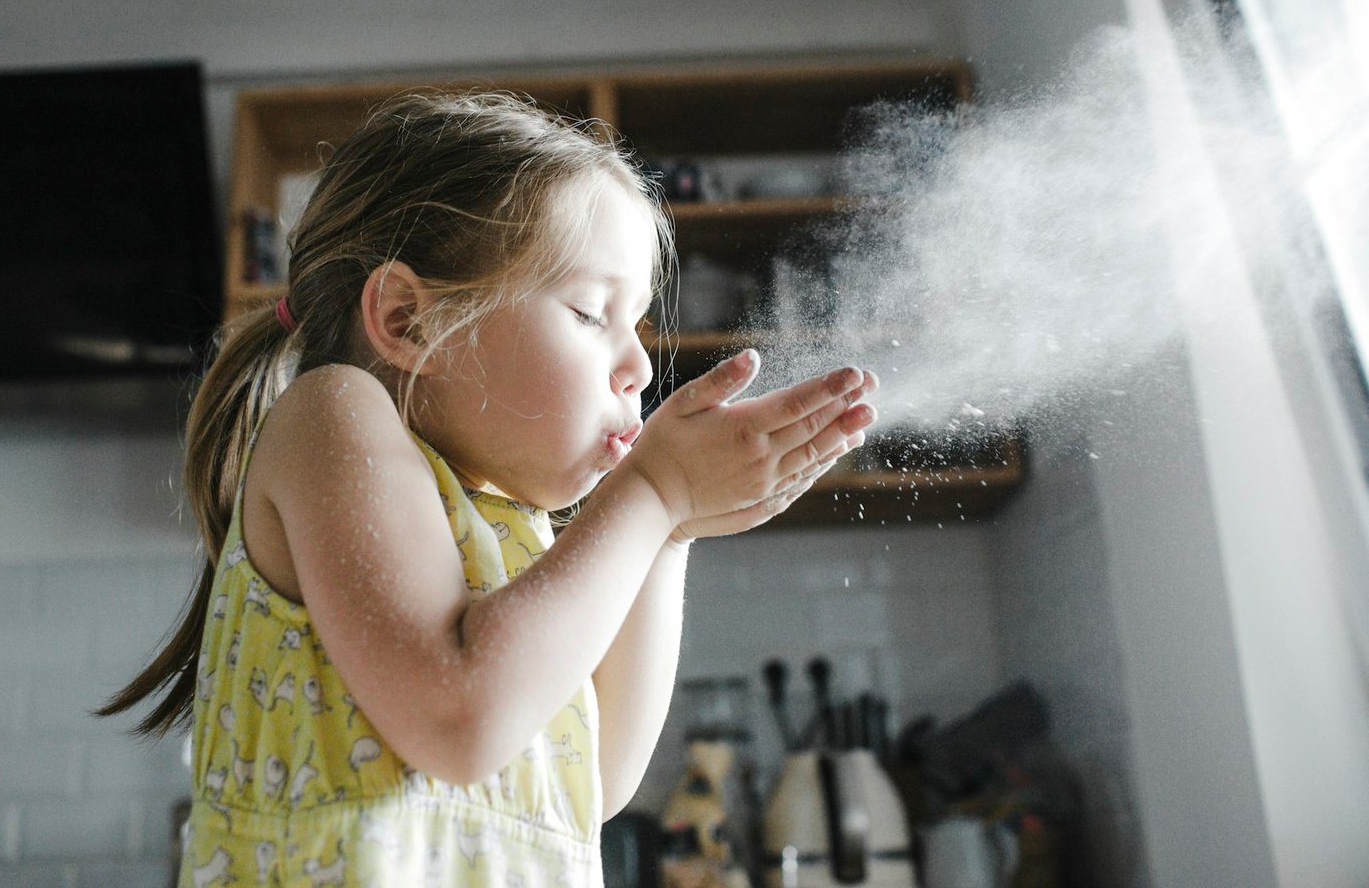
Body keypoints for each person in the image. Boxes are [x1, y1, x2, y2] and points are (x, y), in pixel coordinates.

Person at [100, 90, 878, 886]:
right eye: (589, 312)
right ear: (410, 321)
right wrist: (652, 494)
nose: (640, 367)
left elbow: (600, 782)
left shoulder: (512, 533)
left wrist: (671, 530)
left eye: (638, 324)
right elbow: (463, 721)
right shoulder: (332, 417)